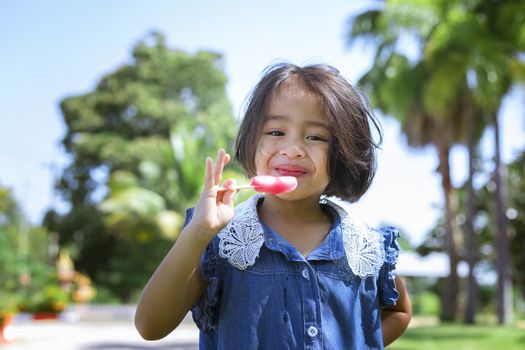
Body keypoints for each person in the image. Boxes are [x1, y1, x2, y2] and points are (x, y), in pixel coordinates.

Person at [135, 62, 412, 349]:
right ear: (252, 141)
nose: (292, 149)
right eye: (276, 132)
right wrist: (197, 233)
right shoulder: (220, 242)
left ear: (342, 152)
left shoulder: (364, 245)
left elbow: (399, 311)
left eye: (315, 137)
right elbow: (150, 326)